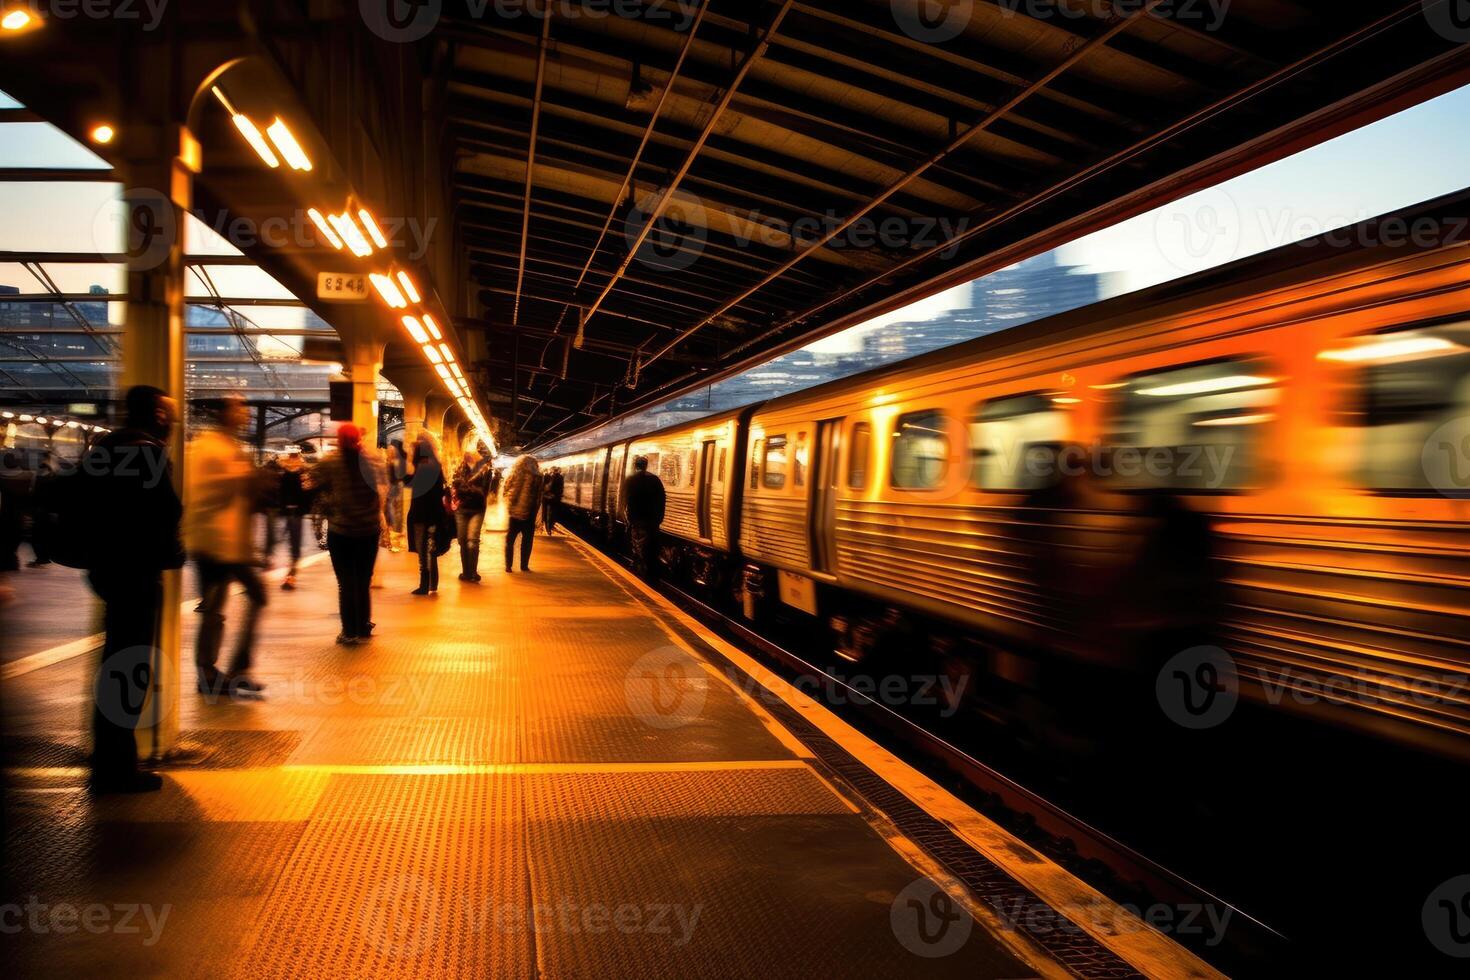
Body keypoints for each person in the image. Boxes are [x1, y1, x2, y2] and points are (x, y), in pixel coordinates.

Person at [80, 385, 184, 792]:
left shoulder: (105, 447)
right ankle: (116, 769)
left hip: (107, 568)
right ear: (157, 414)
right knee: (129, 668)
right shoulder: (149, 452)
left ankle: (107, 757)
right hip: (137, 572)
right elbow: (165, 509)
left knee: (113, 663)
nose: (173, 422)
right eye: (170, 415)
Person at [185, 394, 266, 697]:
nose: (245, 412)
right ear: (223, 414)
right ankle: (210, 672)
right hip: (214, 544)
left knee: (234, 603)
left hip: (229, 544)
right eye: (239, 407)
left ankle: (230, 670)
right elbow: (207, 494)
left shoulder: (228, 445)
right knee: (215, 608)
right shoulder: (208, 447)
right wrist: (243, 476)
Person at [308, 424, 387, 644]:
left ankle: (349, 631)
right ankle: (363, 626)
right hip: (368, 531)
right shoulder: (373, 460)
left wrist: (330, 501)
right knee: (363, 580)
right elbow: (385, 490)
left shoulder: (330, 462)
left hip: (341, 531)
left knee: (346, 583)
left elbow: (312, 484)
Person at [407, 429, 448, 596]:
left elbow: (413, 486)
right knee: (430, 549)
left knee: (423, 550)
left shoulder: (423, 465)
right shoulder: (435, 463)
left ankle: (424, 585)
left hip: (422, 514)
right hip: (433, 513)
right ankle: (432, 583)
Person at [452, 448, 492, 582]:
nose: (467, 457)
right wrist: (468, 490)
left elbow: (482, 493)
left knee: (472, 541)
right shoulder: (460, 469)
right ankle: (466, 573)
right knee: (462, 541)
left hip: (477, 510)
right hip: (462, 509)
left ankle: (473, 572)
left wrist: (465, 489)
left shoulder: (486, 471)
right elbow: (457, 489)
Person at [622, 455, 666, 579]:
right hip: (652, 520)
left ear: (636, 465)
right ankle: (650, 571)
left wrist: (628, 518)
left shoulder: (631, 479)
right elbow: (662, 500)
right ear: (646, 465)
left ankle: (640, 569)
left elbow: (626, 500)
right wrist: (659, 518)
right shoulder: (655, 480)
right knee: (651, 545)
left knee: (638, 544)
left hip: (637, 519)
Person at [275, 447, 310, 589]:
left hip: (288, 509)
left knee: (290, 542)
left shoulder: (283, 471)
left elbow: (280, 491)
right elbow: (307, 491)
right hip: (298, 511)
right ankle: (291, 575)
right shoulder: (303, 470)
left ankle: (290, 574)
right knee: (295, 544)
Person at [502, 454, 542, 573]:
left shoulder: (513, 475)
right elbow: (538, 498)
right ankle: (524, 566)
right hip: (529, 514)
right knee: (527, 541)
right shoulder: (538, 477)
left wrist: (510, 505)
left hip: (514, 514)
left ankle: (508, 566)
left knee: (510, 541)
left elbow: (505, 491)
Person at [385, 438, 407, 552]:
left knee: (395, 511)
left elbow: (394, 477)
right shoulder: (395, 461)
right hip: (396, 486)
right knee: (394, 511)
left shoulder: (393, 462)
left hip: (396, 486)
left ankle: (396, 536)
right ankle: (396, 535)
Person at [542, 465, 565, 535]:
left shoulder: (552, 477)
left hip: (550, 498)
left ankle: (548, 528)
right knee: (554, 513)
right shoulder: (561, 477)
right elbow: (561, 488)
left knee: (549, 513)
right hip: (557, 498)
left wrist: (545, 492)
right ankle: (551, 526)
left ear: (553, 470)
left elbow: (550, 487)